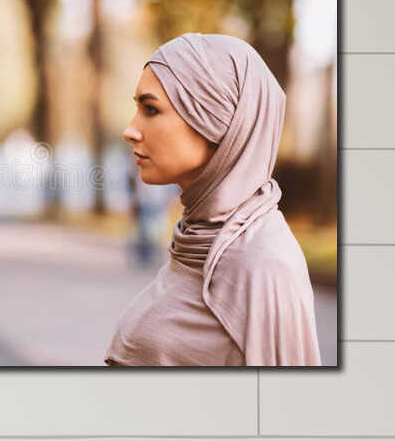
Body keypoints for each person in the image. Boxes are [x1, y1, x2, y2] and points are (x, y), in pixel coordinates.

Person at [104, 33, 322, 367]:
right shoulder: (197, 237)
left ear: (215, 122)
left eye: (151, 109)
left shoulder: (263, 263)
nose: (130, 130)